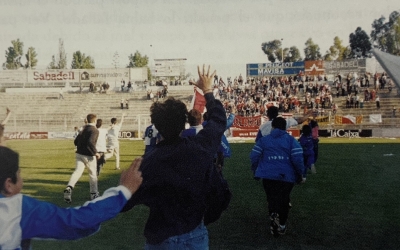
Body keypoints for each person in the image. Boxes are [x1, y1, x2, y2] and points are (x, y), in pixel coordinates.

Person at [121, 65, 228, 249]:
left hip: (162, 238)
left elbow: (123, 205)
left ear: (155, 125)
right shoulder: (200, 148)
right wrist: (208, 91)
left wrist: (122, 188)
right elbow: (218, 120)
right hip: (195, 234)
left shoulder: (148, 163)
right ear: (183, 122)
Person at [0, 146, 143, 250]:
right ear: (9, 184)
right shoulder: (15, 209)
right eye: (19, 174)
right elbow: (77, 221)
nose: (22, 179)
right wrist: (124, 190)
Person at [250, 117, 305, 237]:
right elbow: (298, 158)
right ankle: (282, 225)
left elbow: (254, 156)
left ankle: (273, 214)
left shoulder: (264, 140)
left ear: (273, 127)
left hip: (268, 175)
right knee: (284, 200)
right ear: (285, 127)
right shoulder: (291, 141)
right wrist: (300, 174)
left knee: (271, 198)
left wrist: (256, 170)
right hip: (286, 176)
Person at [64, 114, 100, 203]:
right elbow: (90, 142)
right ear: (95, 121)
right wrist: (95, 152)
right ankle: (94, 194)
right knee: (92, 175)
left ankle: (69, 187)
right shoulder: (94, 130)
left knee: (77, 172)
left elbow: (75, 141)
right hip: (89, 155)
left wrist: (81, 146)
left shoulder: (83, 128)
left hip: (79, 154)